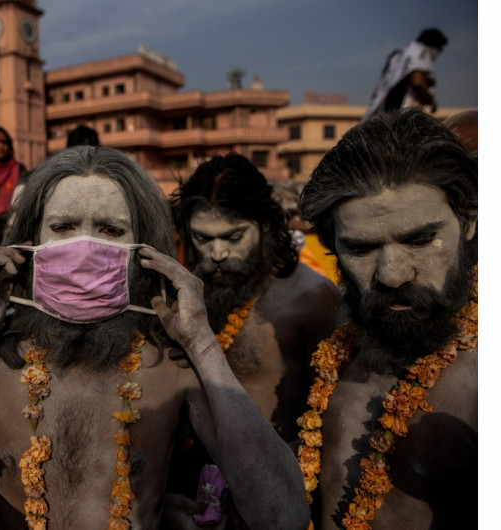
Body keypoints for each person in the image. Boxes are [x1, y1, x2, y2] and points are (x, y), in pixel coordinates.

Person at [0, 146, 309, 529]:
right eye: (64, 226)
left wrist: (202, 344)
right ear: (29, 242)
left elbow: (281, 515)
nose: (84, 247)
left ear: (146, 250)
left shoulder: (172, 367)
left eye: (109, 230)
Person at [296, 108, 477, 528]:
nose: (393, 274)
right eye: (361, 249)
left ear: (467, 222)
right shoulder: (340, 345)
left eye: (420, 239)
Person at [165, 155, 341, 526]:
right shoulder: (182, 292)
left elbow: (334, 420)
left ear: (265, 225)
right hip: (192, 487)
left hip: (278, 492)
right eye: (202, 238)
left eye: (233, 236)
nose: (216, 254)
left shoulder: (311, 297)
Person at [362, 28, 448, 121]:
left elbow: (399, 78)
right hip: (396, 114)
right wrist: (428, 98)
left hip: (379, 112)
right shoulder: (421, 51)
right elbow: (417, 82)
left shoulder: (402, 52)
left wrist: (426, 82)